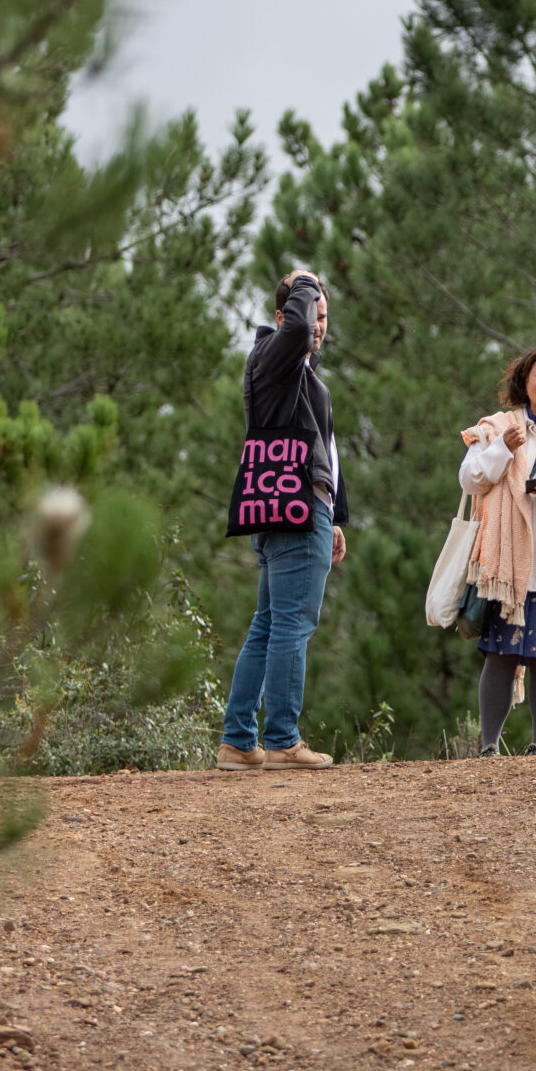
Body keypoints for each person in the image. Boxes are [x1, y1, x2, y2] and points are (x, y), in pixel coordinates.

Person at [218, 269, 349, 771]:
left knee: (269, 624)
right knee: (292, 625)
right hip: (294, 509)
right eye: (310, 315)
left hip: (292, 505)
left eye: (323, 318)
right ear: (283, 315)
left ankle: (238, 741)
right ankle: (283, 740)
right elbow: (295, 330)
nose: (316, 326)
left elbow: (327, 450)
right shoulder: (276, 353)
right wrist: (306, 280)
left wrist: (335, 514)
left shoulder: (299, 375)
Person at [456, 344, 536, 754]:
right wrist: (502, 449)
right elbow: (471, 480)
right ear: (524, 381)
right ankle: (489, 746)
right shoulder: (497, 426)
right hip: (506, 567)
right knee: (500, 653)